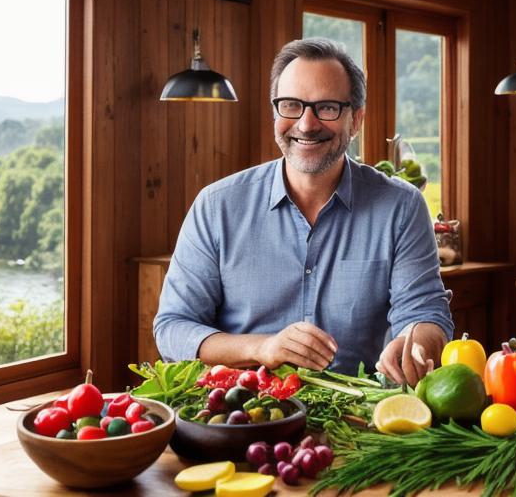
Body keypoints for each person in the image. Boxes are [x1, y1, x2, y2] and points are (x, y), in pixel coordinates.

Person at [153, 38, 453, 387]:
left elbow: (426, 314)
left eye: (327, 107)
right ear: (275, 113)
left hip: (356, 418)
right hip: (242, 414)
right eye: (291, 105)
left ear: (355, 120)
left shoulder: (401, 208)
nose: (307, 124)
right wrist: (264, 347)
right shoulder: (216, 206)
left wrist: (413, 344)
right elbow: (172, 328)